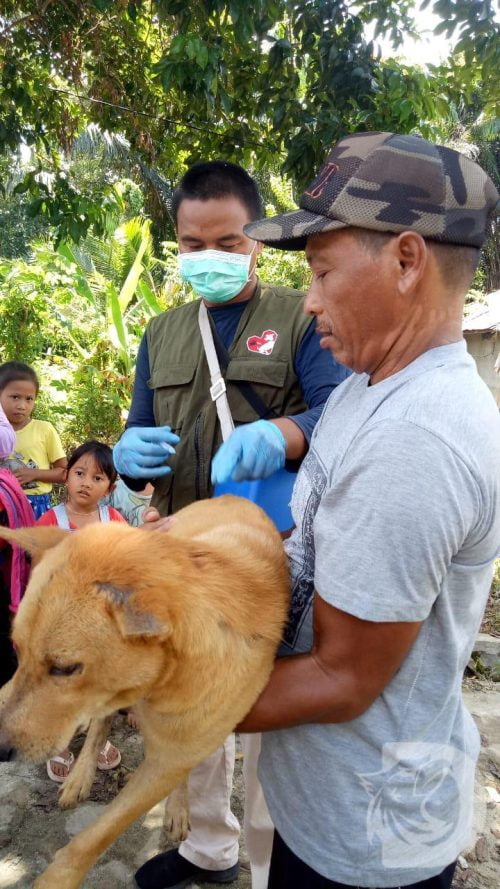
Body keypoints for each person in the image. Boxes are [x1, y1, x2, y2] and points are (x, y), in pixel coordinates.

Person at [207, 131, 499, 889]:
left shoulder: (416, 440)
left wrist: (180, 700)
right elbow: (311, 538)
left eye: (322, 271)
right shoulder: (371, 384)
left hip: (365, 841)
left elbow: (343, 678)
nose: (308, 299)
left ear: (406, 261)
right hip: (331, 800)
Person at [114, 161, 349, 889]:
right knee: (199, 704)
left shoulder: (302, 315)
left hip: (270, 555)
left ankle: (269, 858)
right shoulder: (162, 332)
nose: (206, 256)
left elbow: (339, 413)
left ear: (254, 239)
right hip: (184, 551)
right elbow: (138, 440)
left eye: (225, 240)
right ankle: (208, 848)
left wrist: (282, 434)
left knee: (270, 712)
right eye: (190, 243)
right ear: (175, 244)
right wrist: (127, 460)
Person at [37, 440, 126, 782]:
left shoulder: (113, 519)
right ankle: (57, 745)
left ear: (110, 488)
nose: (86, 482)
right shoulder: (51, 521)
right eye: (79, 473)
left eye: (98, 477)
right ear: (66, 476)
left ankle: (95, 740)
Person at [0, 362, 67, 518]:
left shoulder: (44, 430)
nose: (22, 405)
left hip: (35, 507)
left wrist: (34, 474)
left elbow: (64, 473)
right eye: (15, 397)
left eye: (29, 399)